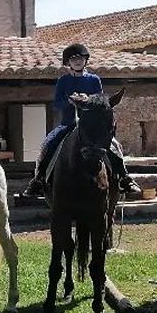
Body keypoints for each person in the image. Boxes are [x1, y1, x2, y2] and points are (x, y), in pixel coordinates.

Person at [18, 43, 142, 200]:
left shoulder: (94, 80)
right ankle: (38, 180)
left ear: (86, 61)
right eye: (73, 59)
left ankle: (124, 177)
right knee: (48, 143)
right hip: (68, 124)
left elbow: (101, 102)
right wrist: (71, 101)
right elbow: (57, 103)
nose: (77, 61)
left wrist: (87, 99)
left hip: (91, 127)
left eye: (80, 58)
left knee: (115, 145)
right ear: (68, 63)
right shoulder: (63, 81)